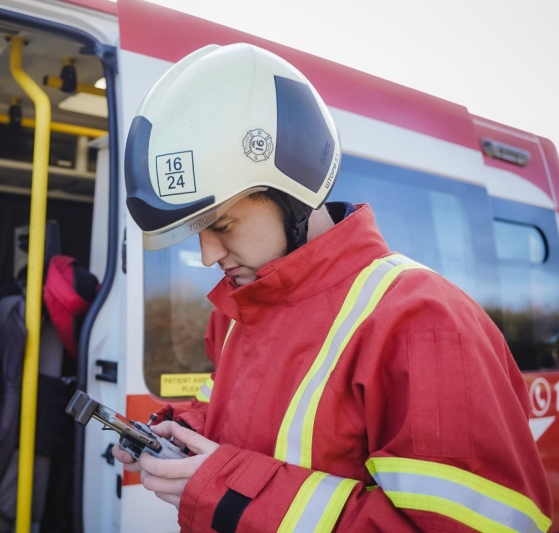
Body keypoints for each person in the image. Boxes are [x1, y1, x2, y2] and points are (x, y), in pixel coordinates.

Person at [115, 43, 552, 532]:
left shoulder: (423, 323)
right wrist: (180, 434)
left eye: (222, 225)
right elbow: (248, 426)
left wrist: (225, 489)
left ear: (290, 191)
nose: (208, 255)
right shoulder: (240, 311)